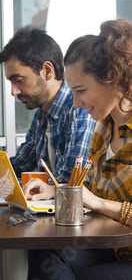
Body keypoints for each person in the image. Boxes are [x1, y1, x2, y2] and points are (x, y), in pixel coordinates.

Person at [0, 26, 96, 280]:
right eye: (10, 82)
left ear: (47, 70)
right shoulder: (43, 113)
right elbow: (21, 162)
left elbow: (66, 182)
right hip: (46, 219)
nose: (13, 92)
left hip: (72, 225)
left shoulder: (79, 109)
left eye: (18, 80)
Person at [25, 18, 132, 279]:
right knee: (45, 253)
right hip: (112, 247)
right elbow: (88, 195)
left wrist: (98, 203)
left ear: (112, 78)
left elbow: (95, 201)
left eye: (81, 90)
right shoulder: (102, 131)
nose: (74, 103)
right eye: (72, 92)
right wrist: (56, 192)